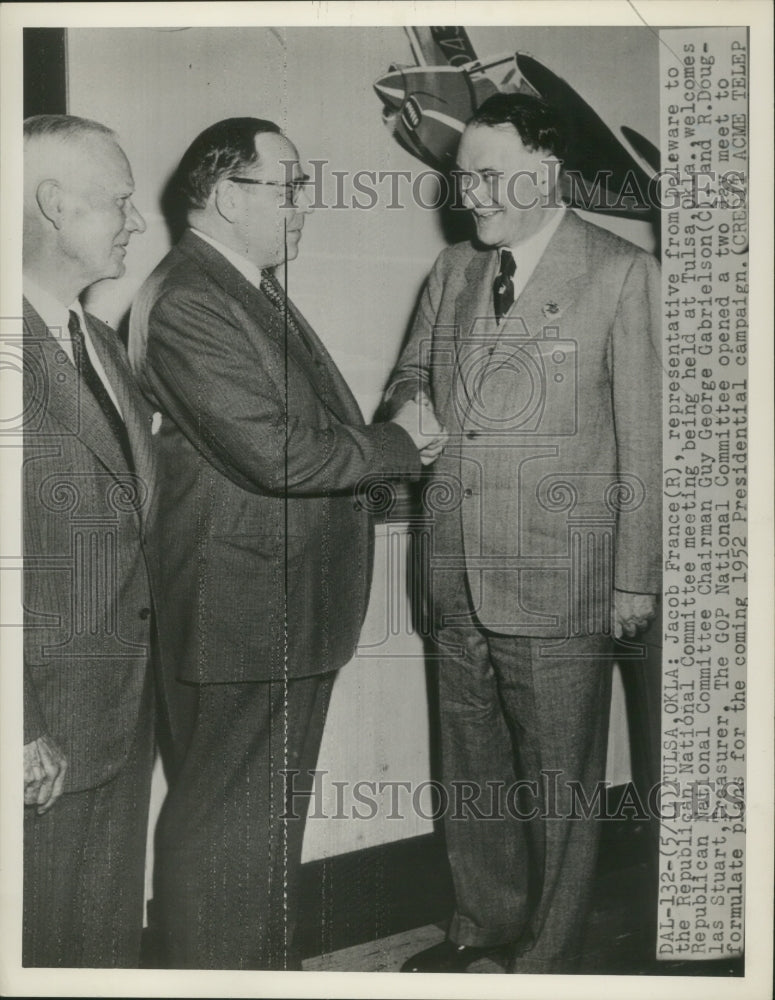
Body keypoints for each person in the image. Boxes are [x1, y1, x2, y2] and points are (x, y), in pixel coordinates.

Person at [128, 116, 445, 970]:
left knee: (257, 825)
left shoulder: (237, 285)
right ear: (226, 195)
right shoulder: (194, 298)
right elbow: (277, 452)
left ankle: (259, 972)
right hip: (244, 608)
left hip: (270, 601)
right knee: (226, 827)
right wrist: (400, 442)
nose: (304, 204)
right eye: (289, 185)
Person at [383, 93, 661, 974]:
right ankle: (481, 929)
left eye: (488, 175)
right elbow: (407, 373)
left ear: (544, 174)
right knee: (469, 766)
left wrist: (634, 578)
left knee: (558, 785)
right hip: (454, 566)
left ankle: (546, 960)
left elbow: (648, 444)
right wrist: (404, 403)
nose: (468, 195)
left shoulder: (620, 273)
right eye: (463, 176)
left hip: (561, 578)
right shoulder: (455, 271)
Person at [22, 114, 154, 966]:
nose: (136, 223)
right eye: (120, 203)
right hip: (42, 728)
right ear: (52, 206)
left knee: (101, 937)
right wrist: (18, 725)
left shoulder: (97, 339)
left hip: (118, 701)